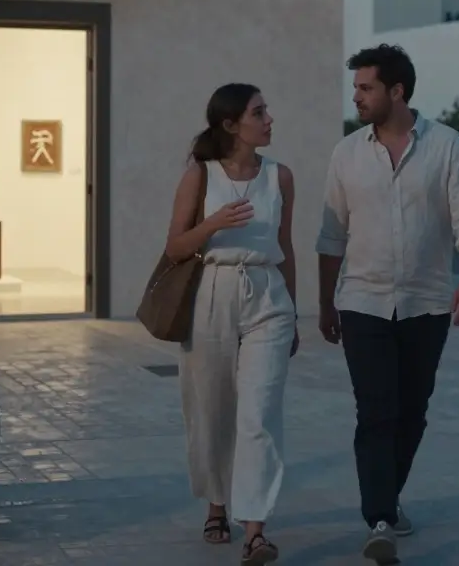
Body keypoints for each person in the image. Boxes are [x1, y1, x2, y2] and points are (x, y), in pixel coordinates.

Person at [315, 44, 459, 564]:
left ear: (397, 91)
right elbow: (331, 237)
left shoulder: (447, 145)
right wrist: (326, 305)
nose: (357, 97)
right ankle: (381, 519)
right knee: (376, 412)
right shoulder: (346, 153)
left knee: (412, 412)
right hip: (362, 301)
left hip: (427, 302)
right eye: (356, 88)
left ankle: (387, 501)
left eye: (365, 88)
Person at [164, 82, 300, 565]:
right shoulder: (199, 176)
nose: (268, 120)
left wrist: (295, 312)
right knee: (213, 409)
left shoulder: (280, 176)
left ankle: (255, 530)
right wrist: (213, 224)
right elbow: (175, 248)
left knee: (259, 415)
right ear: (230, 124)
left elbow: (285, 247)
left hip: (268, 297)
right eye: (258, 112)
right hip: (212, 294)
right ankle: (217, 504)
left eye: (266, 110)